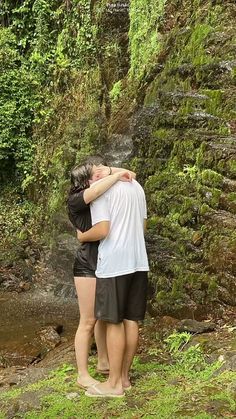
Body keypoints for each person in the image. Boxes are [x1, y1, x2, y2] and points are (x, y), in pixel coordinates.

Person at [77, 176, 149, 397]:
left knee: (113, 320)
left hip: (114, 264)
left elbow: (103, 230)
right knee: (131, 319)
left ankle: (113, 384)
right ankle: (124, 378)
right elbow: (143, 225)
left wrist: (82, 236)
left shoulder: (100, 191)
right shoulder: (136, 186)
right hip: (138, 260)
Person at [67, 160, 135, 389]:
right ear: (84, 181)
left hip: (108, 261)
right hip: (87, 264)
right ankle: (82, 374)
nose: (101, 177)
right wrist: (113, 176)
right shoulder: (77, 199)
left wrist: (107, 171)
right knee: (87, 321)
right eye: (94, 174)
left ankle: (104, 361)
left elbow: (130, 174)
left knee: (103, 315)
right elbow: (97, 188)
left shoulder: (98, 195)